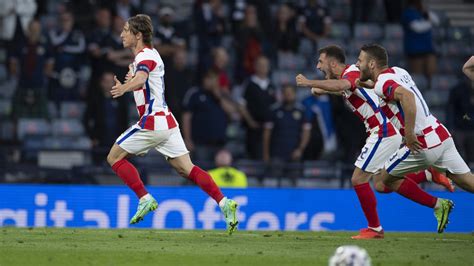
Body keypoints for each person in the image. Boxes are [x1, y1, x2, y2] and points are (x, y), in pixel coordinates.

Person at [296, 45, 454, 239]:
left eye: (321, 61)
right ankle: (433, 188)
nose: (318, 66)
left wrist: (310, 82)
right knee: (381, 184)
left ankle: (375, 228)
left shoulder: (351, 73)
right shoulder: (349, 78)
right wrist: (323, 89)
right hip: (386, 132)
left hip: (383, 132)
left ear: (333, 63)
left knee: (358, 179)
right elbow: (348, 90)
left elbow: (345, 86)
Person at [106, 14, 238, 234]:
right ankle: (225, 203)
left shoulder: (146, 56)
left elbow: (141, 79)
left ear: (138, 35)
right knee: (186, 169)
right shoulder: (146, 57)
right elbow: (141, 82)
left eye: (126, 30)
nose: (122, 34)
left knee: (113, 157)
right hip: (167, 122)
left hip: (152, 122)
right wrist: (129, 83)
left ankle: (144, 198)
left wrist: (124, 88)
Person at [355, 43, 474, 234]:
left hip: (422, 142)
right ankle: (433, 175)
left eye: (360, 60)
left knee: (382, 182)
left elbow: (407, 97)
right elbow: (392, 90)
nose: (357, 64)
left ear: (371, 64)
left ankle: (438, 203)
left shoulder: (382, 84)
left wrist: (409, 134)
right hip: (440, 134)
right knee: (469, 182)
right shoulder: (398, 72)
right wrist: (366, 83)